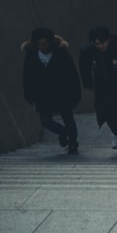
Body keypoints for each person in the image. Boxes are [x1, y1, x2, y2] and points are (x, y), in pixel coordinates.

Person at [80, 27, 117, 154]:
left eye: (103, 43)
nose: (101, 46)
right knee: (106, 113)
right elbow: (84, 66)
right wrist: (89, 84)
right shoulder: (90, 51)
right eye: (97, 44)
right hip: (103, 88)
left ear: (108, 40)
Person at [22, 27, 81, 155]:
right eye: (39, 44)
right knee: (46, 121)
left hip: (63, 92)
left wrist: (75, 93)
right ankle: (62, 132)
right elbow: (27, 77)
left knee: (68, 118)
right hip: (43, 95)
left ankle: (73, 144)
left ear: (50, 42)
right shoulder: (32, 55)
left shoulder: (61, 53)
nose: (42, 47)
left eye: (45, 44)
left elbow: (72, 74)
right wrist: (30, 96)